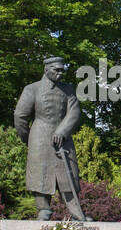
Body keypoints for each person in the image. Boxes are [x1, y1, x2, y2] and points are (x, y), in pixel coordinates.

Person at [13, 56, 84, 220]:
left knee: (69, 174)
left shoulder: (68, 89)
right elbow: (20, 115)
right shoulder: (32, 89)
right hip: (40, 136)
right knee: (40, 174)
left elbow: (74, 112)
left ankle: (76, 212)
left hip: (63, 137)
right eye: (56, 70)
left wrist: (62, 131)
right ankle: (43, 210)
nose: (60, 73)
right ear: (46, 69)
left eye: (62, 70)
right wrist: (29, 139)